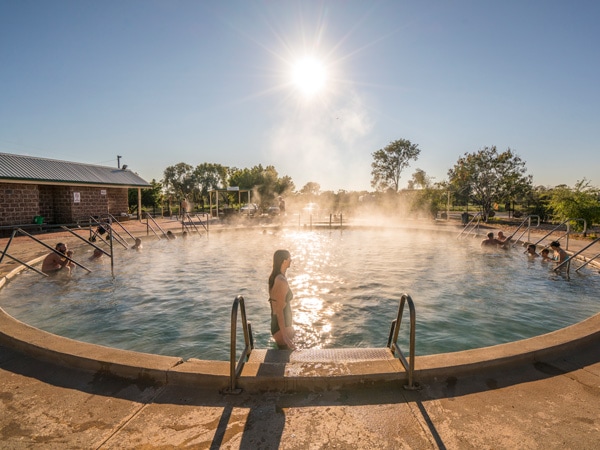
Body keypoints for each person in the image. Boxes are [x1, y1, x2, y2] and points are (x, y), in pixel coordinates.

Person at [268, 249, 295, 350]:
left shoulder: (276, 277)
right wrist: (285, 337)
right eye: (289, 258)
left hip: (281, 326)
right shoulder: (281, 280)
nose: (291, 260)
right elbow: (279, 311)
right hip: (281, 328)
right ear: (284, 261)